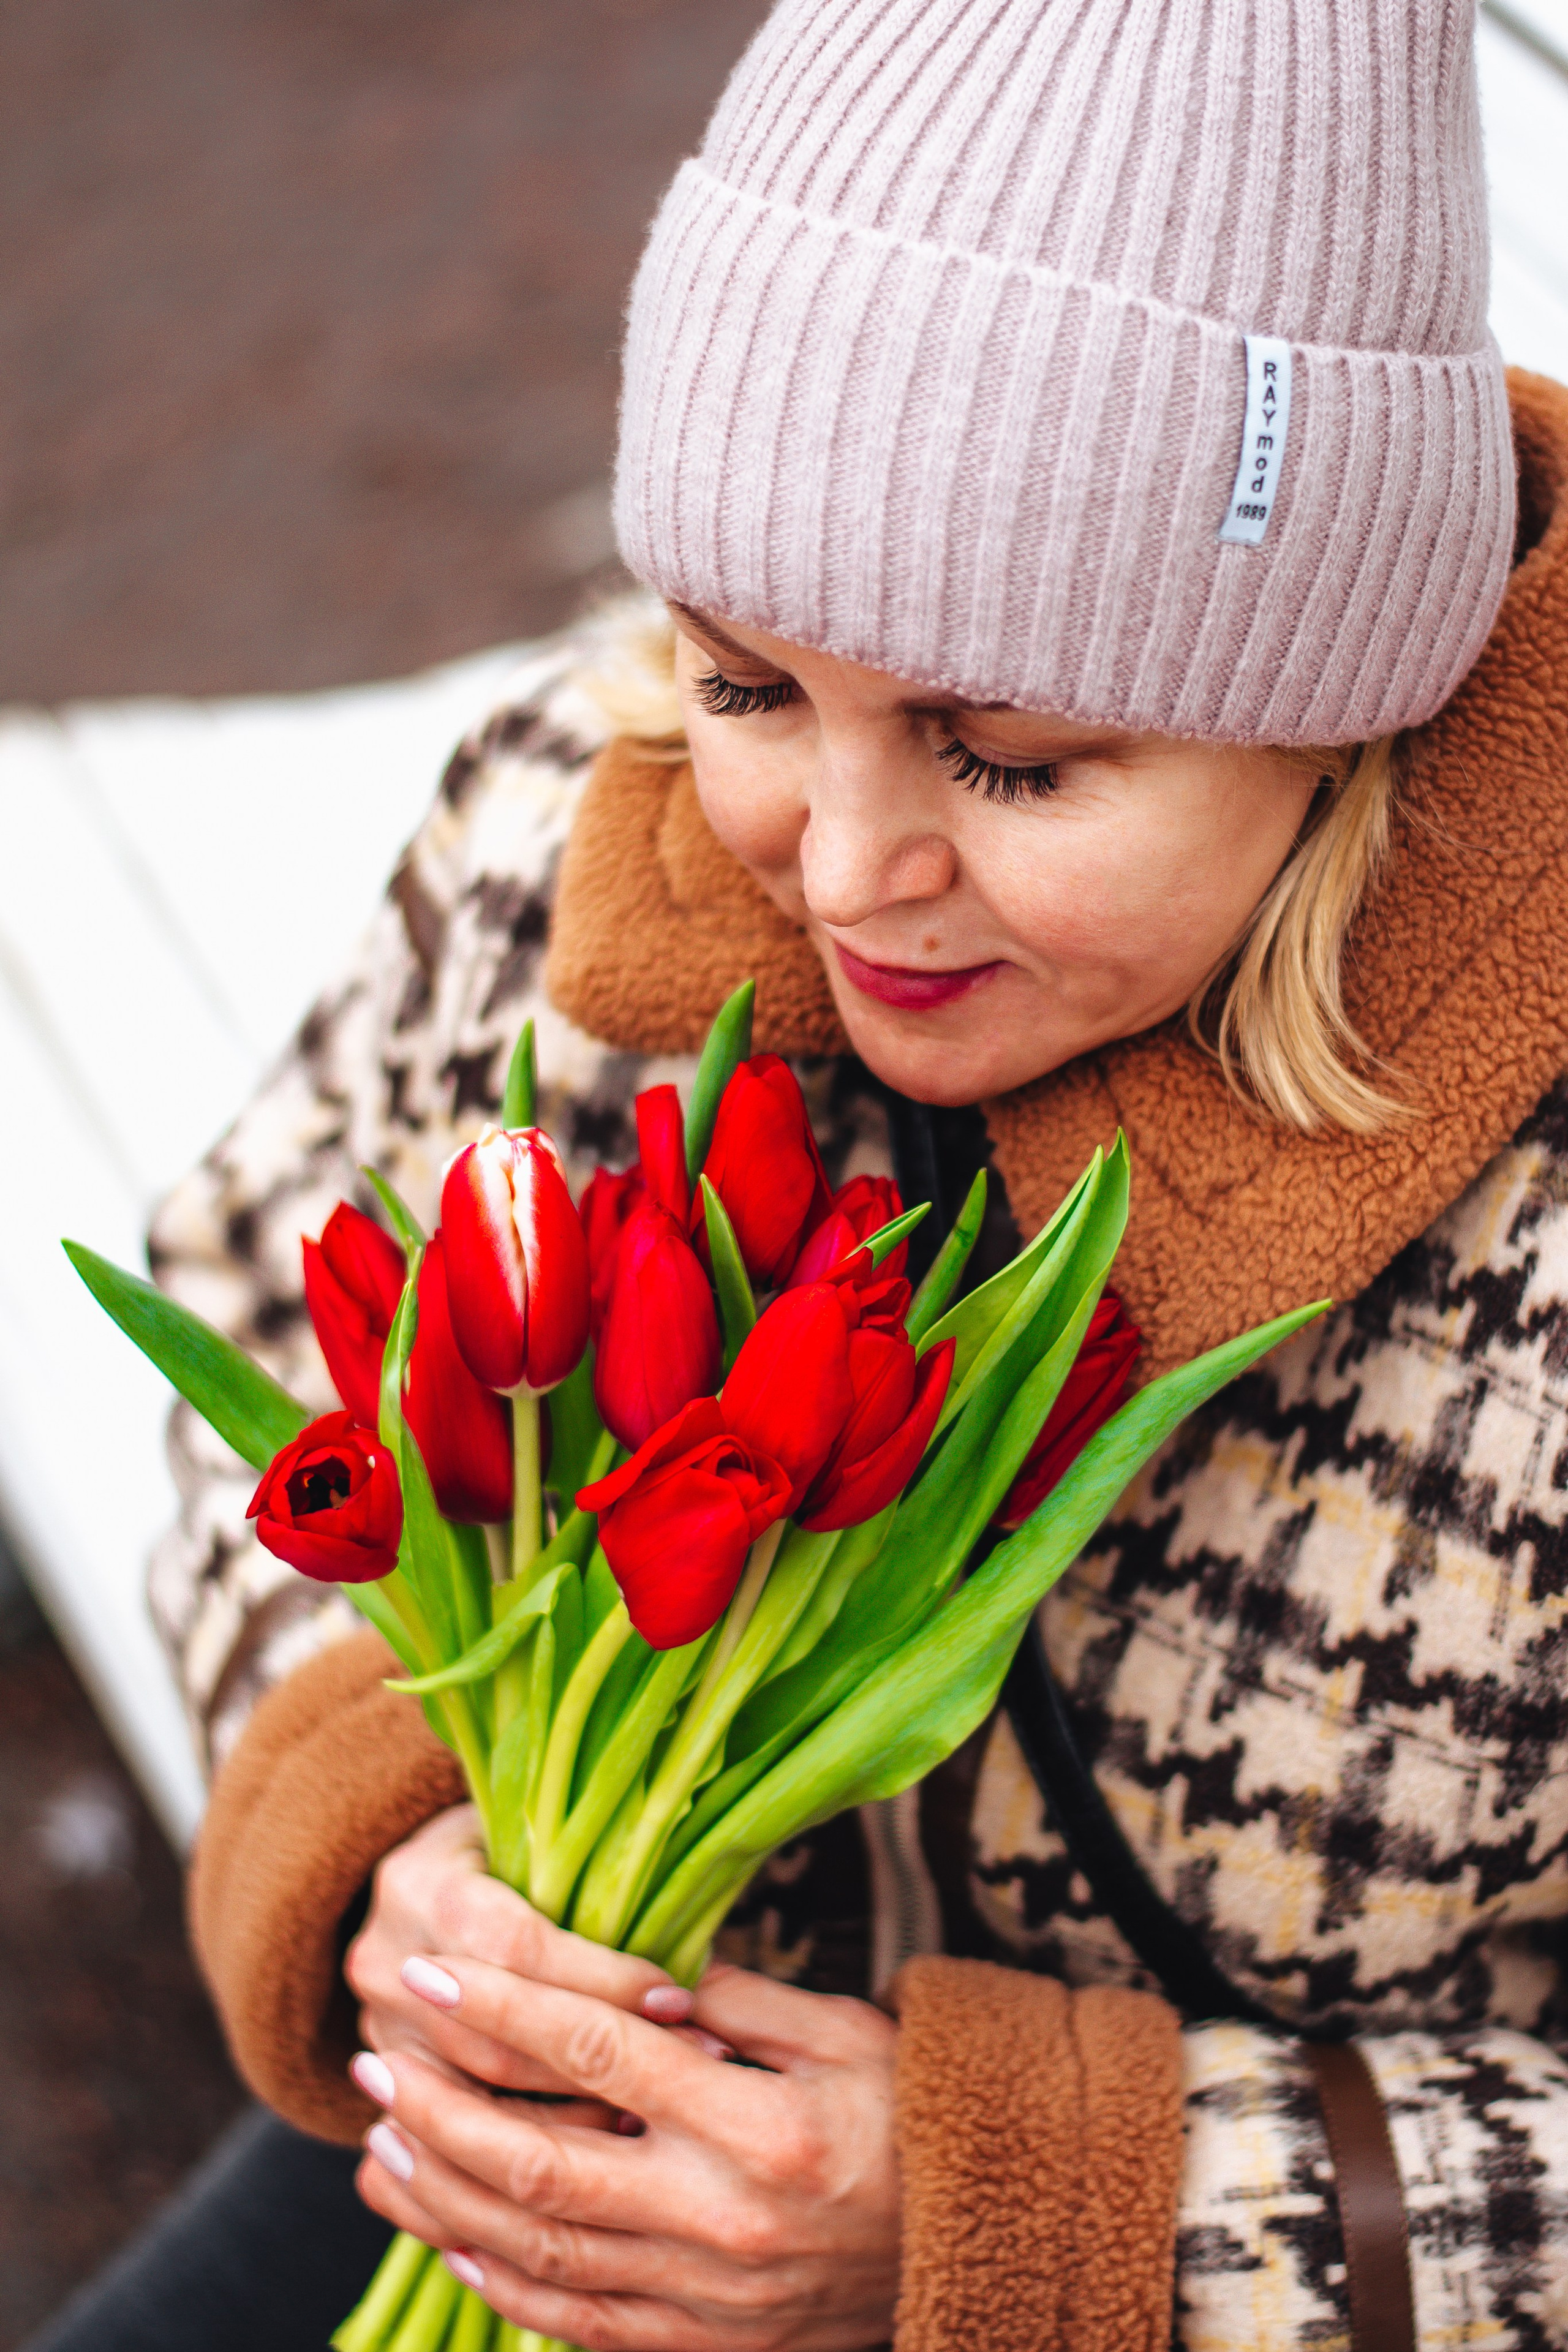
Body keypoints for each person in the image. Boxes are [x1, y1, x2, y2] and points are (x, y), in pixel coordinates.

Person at [34, 1, 1568, 2346]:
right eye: (751, 680)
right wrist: (384, 1820)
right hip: (531, 2142)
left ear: (1344, 693)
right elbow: (271, 1276)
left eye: (1021, 757)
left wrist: (1036, 2221)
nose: (844, 872)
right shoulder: (585, 785)